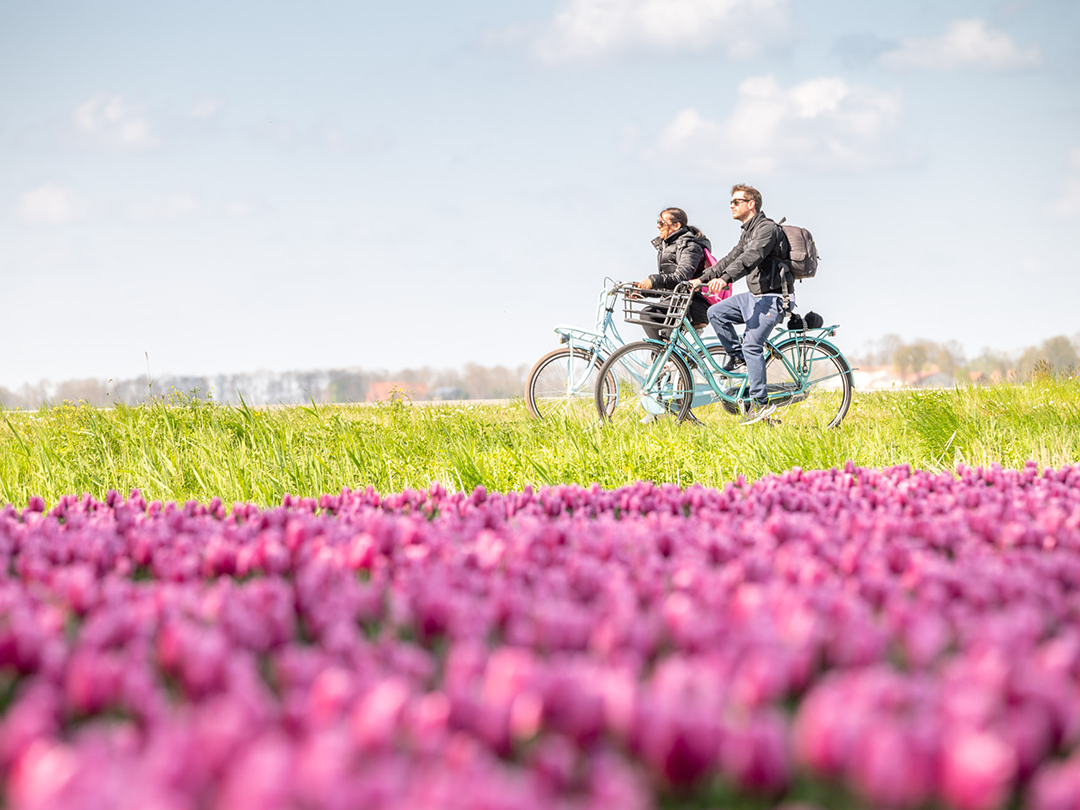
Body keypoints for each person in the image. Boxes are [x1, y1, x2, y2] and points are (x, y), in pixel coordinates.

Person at [693, 184, 791, 425]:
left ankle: (759, 405)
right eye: (731, 201)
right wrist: (700, 279)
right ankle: (739, 359)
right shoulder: (747, 232)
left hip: (773, 298)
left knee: (751, 344)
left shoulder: (767, 229)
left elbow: (750, 258)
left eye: (737, 201)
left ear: (751, 204)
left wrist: (724, 279)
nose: (732, 205)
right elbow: (730, 258)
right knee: (715, 312)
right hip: (753, 297)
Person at [634, 208, 712, 341]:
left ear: (676, 225)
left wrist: (653, 280)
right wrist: (643, 291)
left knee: (648, 315)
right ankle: (666, 358)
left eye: (662, 223)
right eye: (657, 222)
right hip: (678, 302)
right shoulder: (669, 247)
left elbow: (682, 278)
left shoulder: (689, 246)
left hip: (692, 303)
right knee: (663, 342)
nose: (658, 226)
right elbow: (668, 288)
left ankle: (667, 358)